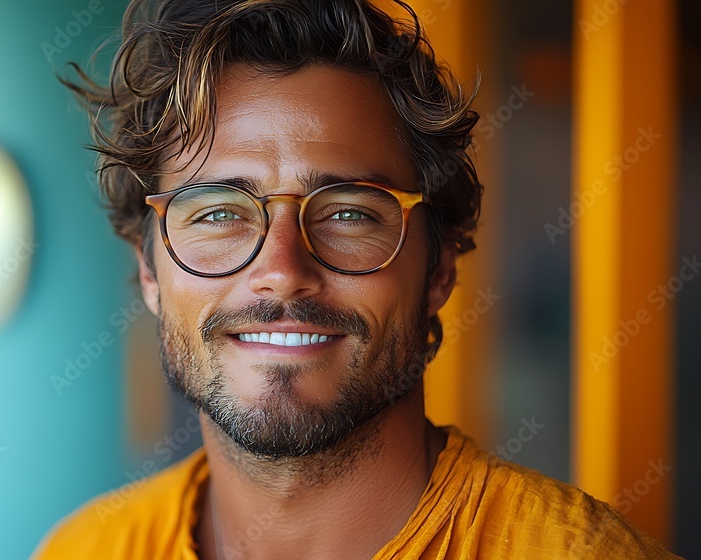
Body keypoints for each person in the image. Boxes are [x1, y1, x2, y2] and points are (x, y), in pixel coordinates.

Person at [34, 0, 680, 558]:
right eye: (220, 213)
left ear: (440, 267)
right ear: (149, 269)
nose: (283, 273)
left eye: (348, 214)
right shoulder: (83, 550)